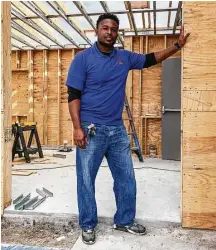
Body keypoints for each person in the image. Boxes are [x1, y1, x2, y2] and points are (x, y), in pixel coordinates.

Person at [66, 13, 190, 245]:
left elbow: (150, 59)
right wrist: (76, 128)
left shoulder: (123, 57)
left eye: (114, 29)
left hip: (117, 130)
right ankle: (88, 224)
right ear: (97, 30)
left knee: (126, 177)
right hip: (90, 129)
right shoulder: (83, 59)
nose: (110, 32)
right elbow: (73, 95)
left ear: (117, 33)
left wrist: (177, 45)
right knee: (85, 180)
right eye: (105, 28)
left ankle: (124, 220)